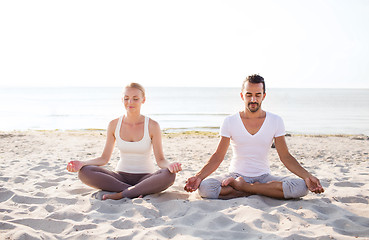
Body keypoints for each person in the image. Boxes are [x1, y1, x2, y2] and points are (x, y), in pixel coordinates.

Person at [184, 74, 324, 200]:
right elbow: (218, 156)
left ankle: (243, 188)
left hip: (264, 177)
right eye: (249, 94)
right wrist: (198, 177)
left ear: (264, 96)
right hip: (235, 175)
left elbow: (285, 156)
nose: (253, 99)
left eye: (257, 95)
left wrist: (307, 176)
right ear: (242, 95)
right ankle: (256, 190)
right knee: (206, 188)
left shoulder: (276, 121)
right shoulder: (230, 121)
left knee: (301, 186)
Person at [67, 83, 182, 200]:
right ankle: (135, 191)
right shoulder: (114, 124)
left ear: (143, 100)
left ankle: (122, 194)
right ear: (122, 100)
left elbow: (161, 161)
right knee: (84, 172)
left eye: (135, 99)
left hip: (147, 178)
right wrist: (83, 163)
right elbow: (104, 159)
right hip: (119, 177)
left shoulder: (152, 125)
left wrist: (170, 165)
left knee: (169, 175)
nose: (130, 102)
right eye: (126, 98)